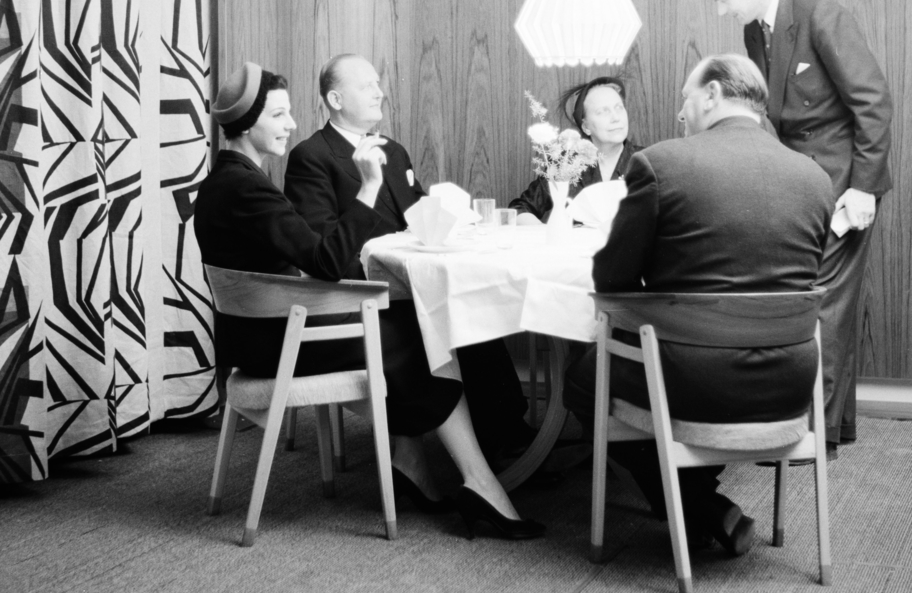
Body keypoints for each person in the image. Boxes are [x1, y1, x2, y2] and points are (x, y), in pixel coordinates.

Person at [194, 61, 543, 540]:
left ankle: (417, 463)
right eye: (278, 115)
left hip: (259, 336)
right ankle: (478, 483)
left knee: (414, 328)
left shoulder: (226, 180)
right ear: (247, 124)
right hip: (279, 344)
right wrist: (370, 186)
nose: (291, 124)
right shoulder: (247, 187)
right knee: (427, 335)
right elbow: (326, 259)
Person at [564, 54, 834, 555]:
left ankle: (695, 506)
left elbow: (612, 281)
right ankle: (697, 500)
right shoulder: (815, 177)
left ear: (712, 94)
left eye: (686, 98)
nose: (681, 113)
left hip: (695, 383)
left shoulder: (662, 164)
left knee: (582, 378)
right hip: (791, 381)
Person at [284, 54, 533, 465]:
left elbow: (421, 216)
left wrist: (457, 219)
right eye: (366, 86)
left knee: (471, 309)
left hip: (412, 284)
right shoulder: (311, 157)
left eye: (377, 83)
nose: (379, 92)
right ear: (335, 99)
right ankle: (504, 445)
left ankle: (507, 435)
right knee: (457, 316)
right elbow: (325, 251)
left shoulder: (393, 152)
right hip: (361, 295)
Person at [700, 0, 893, 452]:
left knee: (824, 305)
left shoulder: (821, 15)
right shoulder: (753, 29)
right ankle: (832, 426)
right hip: (798, 184)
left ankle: (812, 436)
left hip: (843, 186)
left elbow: (873, 103)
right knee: (820, 302)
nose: (721, 11)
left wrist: (864, 188)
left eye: (723, 0)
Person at [509, 77, 641, 223]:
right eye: (603, 111)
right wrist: (547, 232)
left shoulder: (650, 162)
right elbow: (519, 209)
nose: (616, 118)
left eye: (619, 108)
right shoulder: (566, 164)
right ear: (586, 127)